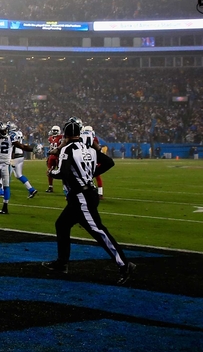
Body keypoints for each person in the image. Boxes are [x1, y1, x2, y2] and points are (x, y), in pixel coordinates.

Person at [42, 118, 135, 285]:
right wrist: (90, 173)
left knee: (98, 231)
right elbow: (109, 162)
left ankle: (124, 264)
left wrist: (51, 172)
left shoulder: (67, 150)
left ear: (66, 135)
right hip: (85, 193)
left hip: (81, 197)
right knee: (62, 224)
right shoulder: (88, 147)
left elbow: (63, 172)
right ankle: (62, 263)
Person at [8, 122, 37, 198]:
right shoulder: (19, 133)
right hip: (21, 155)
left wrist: (11, 158)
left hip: (14, 156)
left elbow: (13, 145)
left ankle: (3, 191)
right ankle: (31, 189)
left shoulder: (11, 135)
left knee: (6, 174)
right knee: (19, 175)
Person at [80, 125, 105, 199]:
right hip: (94, 158)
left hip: (85, 158)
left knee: (84, 176)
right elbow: (98, 148)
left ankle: (87, 192)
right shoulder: (94, 138)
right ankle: (99, 193)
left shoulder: (82, 137)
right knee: (97, 176)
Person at [45, 125, 63, 192]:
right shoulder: (50, 138)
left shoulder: (61, 137)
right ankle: (50, 186)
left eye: (56, 130)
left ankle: (66, 187)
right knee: (49, 171)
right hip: (52, 156)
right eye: (54, 130)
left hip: (58, 156)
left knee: (62, 172)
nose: (55, 132)